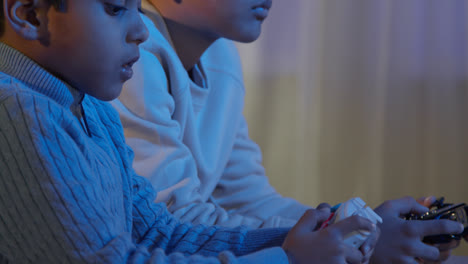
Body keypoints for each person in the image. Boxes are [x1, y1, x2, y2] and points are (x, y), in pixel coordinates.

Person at [0, 0, 384, 263]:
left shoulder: (91, 107)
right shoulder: (21, 113)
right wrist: (288, 258)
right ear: (29, 14)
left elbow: (154, 231)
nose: (140, 29)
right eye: (116, 8)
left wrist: (301, 241)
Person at [111, 0, 466, 262]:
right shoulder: (129, 60)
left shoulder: (220, 57)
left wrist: (356, 225)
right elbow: (170, 221)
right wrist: (344, 242)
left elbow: (248, 196)